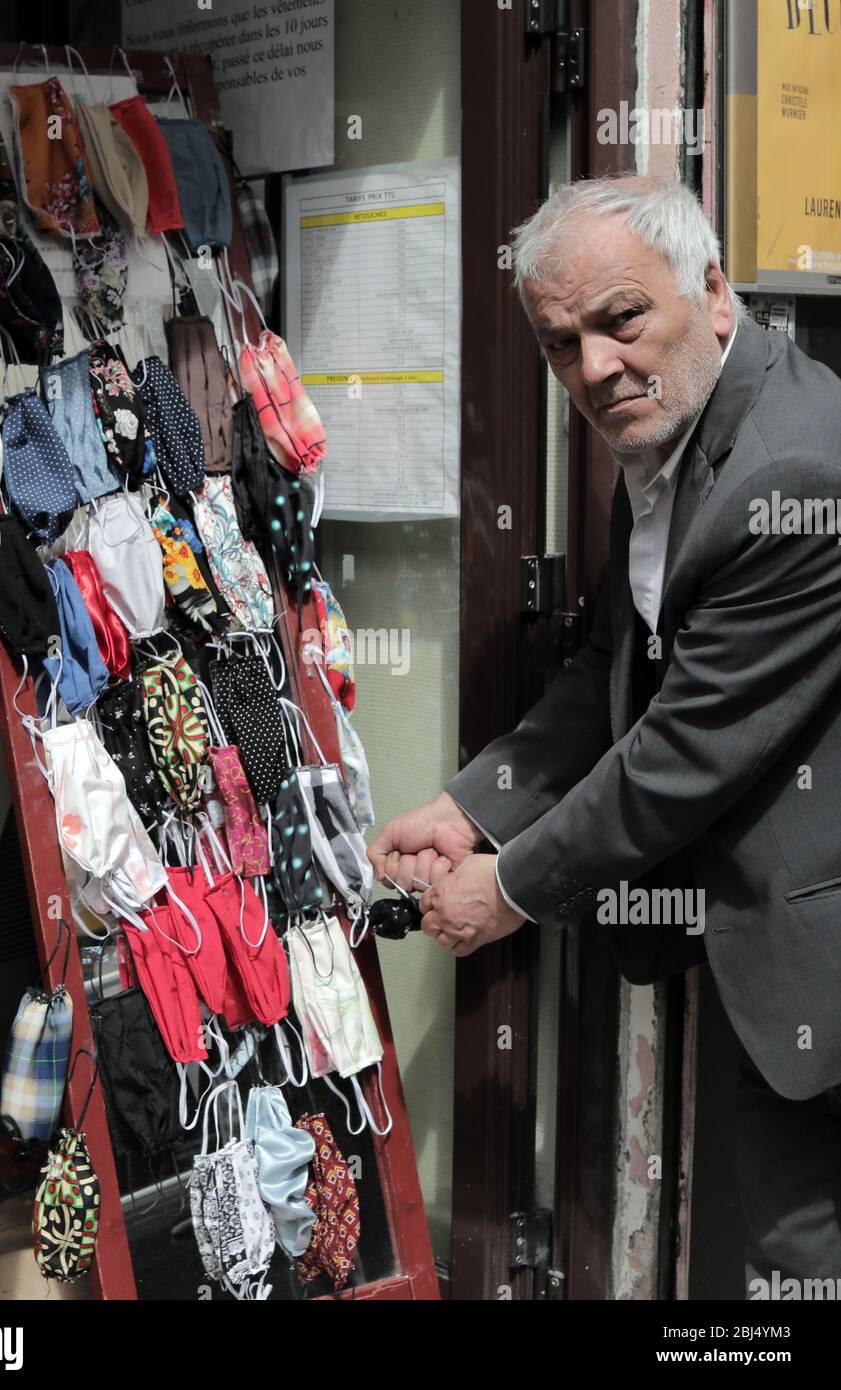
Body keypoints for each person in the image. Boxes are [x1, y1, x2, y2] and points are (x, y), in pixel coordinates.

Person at [367, 173, 841, 1294]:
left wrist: (510, 886)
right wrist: (472, 803)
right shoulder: (681, 424)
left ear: (713, 292)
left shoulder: (793, 472)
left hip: (813, 970)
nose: (592, 369)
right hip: (779, 962)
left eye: (622, 319)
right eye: (561, 344)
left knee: (802, 1258)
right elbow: (611, 661)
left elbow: (680, 756)